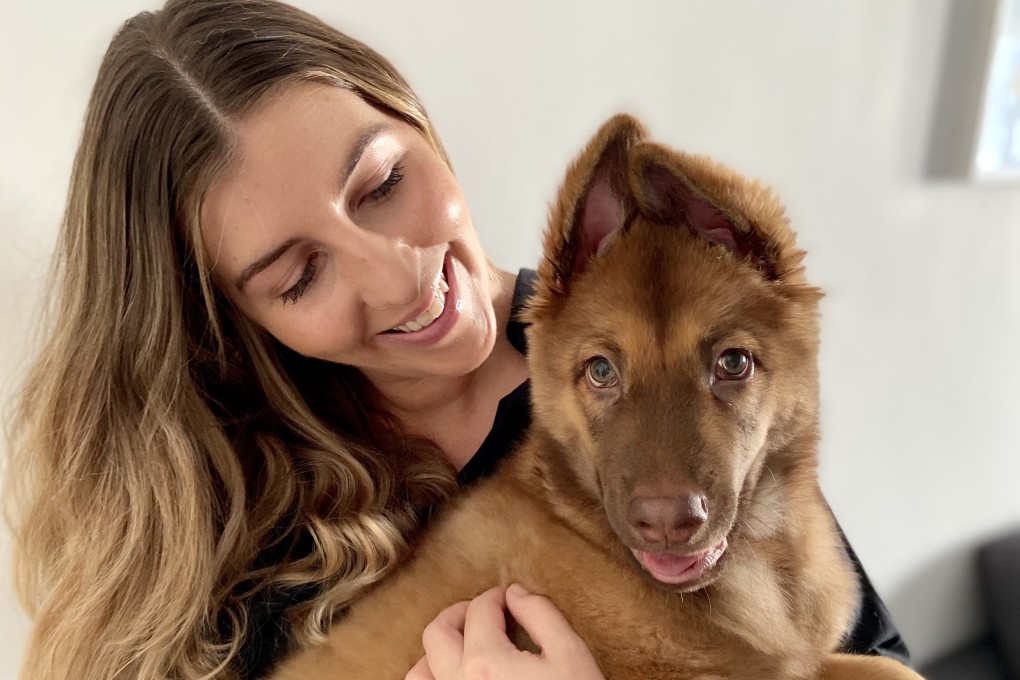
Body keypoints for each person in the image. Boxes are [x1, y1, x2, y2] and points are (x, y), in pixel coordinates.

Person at [4, 1, 910, 679]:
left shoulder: (661, 358)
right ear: (237, 322)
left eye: (382, 183)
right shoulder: (249, 558)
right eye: (300, 275)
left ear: (411, 116)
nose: (398, 277)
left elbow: (857, 654)